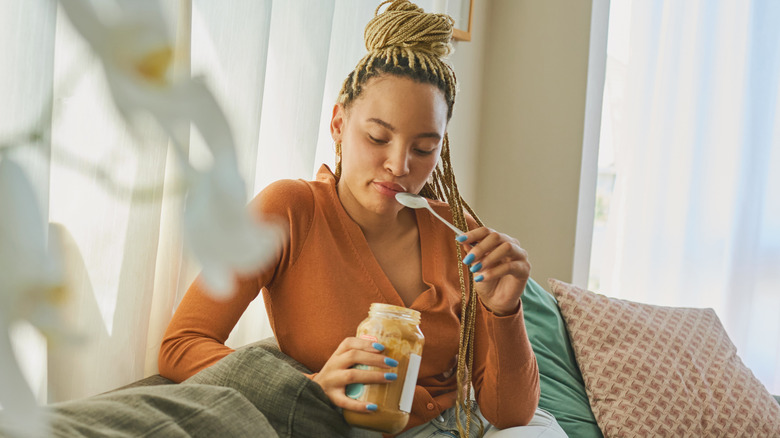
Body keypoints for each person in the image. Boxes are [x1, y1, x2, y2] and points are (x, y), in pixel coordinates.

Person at [159, 1, 566, 437]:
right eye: (378, 137)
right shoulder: (290, 211)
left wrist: (504, 310)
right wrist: (306, 386)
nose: (398, 164)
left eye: (424, 149)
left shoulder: (457, 232)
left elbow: (512, 415)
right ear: (338, 124)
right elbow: (181, 345)